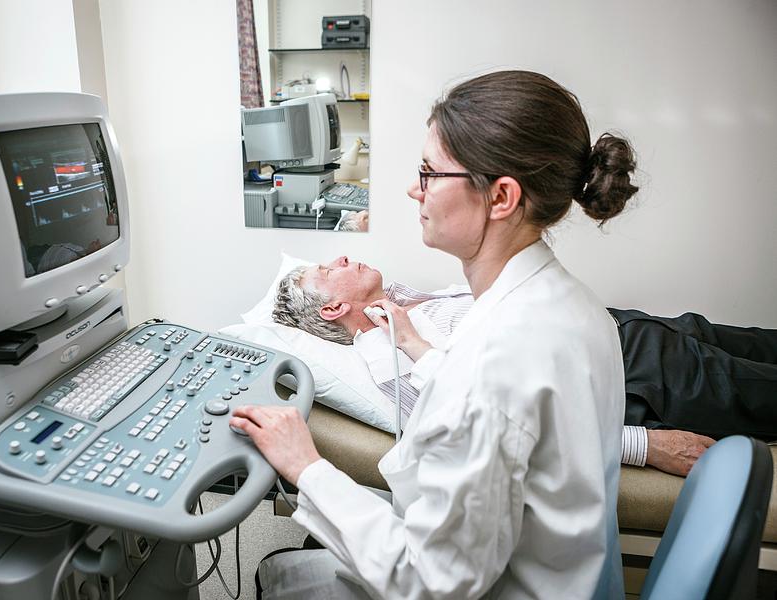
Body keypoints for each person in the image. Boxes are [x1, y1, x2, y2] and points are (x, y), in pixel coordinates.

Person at [230, 70, 638, 598]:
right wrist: (418, 349)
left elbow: (426, 582)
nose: (411, 189)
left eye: (428, 173)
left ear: (501, 197)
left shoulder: (492, 364)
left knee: (279, 577)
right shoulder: (579, 310)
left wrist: (305, 465)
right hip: (563, 574)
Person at [271, 257, 777, 477]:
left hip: (625, 328)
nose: (340, 258)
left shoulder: (402, 299)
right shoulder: (389, 360)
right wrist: (643, 446)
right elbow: (493, 425)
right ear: (333, 311)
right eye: (326, 270)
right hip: (636, 377)